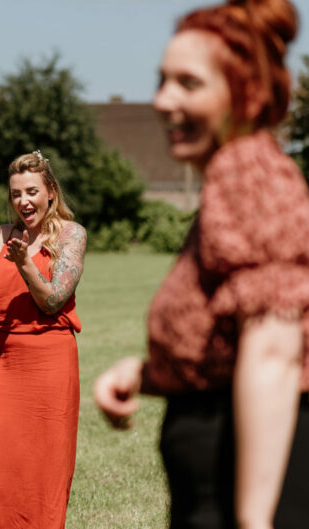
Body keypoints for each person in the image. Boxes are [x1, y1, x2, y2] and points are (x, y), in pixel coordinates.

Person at [93, 1, 309, 527]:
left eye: (189, 84)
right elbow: (229, 343)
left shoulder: (246, 171)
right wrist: (147, 374)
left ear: (248, 93)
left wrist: (255, 520)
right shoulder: (231, 176)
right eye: (162, 80)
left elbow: (276, 349)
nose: (163, 100)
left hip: (246, 494)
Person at [0, 151, 87, 529]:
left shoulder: (72, 236)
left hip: (50, 365)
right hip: (1, 360)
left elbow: (53, 300)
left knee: (40, 470)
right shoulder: (3, 235)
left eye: (32, 191)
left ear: (51, 192)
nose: (23, 201)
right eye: (16, 193)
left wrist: (25, 264)